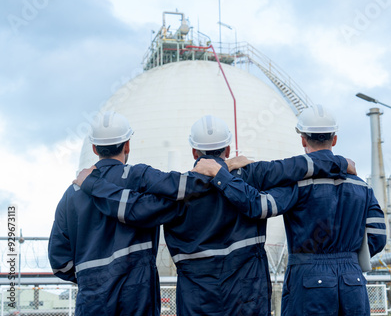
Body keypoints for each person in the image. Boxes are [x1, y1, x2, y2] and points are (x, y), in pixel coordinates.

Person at [74, 114, 354, 315]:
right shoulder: (253, 176)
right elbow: (294, 167)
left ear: (194, 150)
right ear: (229, 149)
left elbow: (134, 209)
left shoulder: (176, 193)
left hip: (197, 293)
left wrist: (91, 184)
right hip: (249, 289)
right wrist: (339, 161)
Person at [193, 104, 387, 315]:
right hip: (353, 281)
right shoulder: (362, 186)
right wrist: (346, 257)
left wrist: (222, 177)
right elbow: (378, 237)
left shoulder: (298, 184)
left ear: (303, 139)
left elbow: (258, 206)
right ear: (335, 139)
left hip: (309, 279)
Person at [48, 111, 212, 316]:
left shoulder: (71, 195)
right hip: (137, 295)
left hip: (92, 300)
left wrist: (92, 277)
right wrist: (222, 171)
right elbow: (184, 188)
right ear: (127, 145)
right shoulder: (139, 177)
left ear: (93, 147)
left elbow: (59, 262)